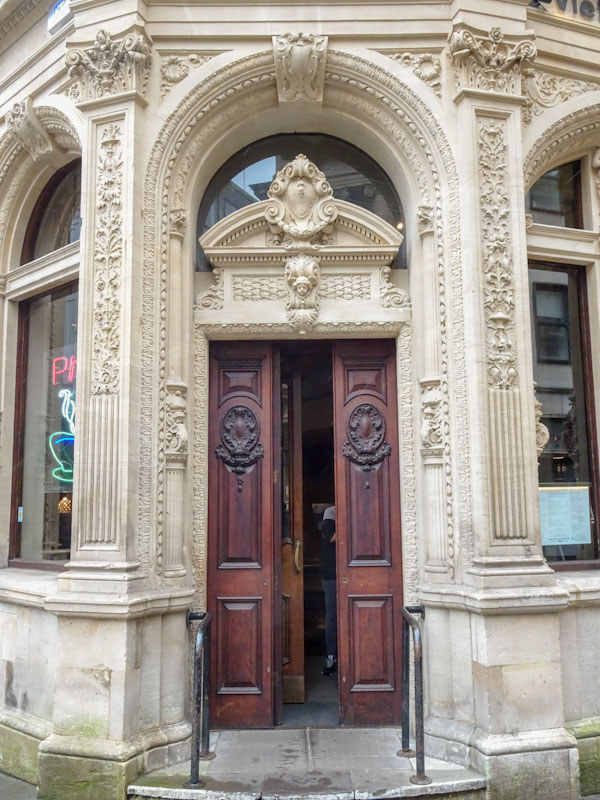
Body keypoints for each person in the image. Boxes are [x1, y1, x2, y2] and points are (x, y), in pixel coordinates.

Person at [319, 505, 337, 676]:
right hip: (330, 570)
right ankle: (331, 657)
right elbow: (330, 538)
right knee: (332, 615)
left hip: (351, 570)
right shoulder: (331, 512)